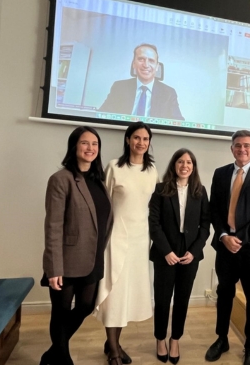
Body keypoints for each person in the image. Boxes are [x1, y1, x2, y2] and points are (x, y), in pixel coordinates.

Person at [40, 126, 113, 365]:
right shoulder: (61, 179)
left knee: (85, 306)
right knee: (60, 313)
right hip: (66, 261)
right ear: (74, 146)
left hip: (93, 259)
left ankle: (52, 353)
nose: (90, 148)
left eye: (95, 144)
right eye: (85, 143)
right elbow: (53, 226)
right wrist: (54, 268)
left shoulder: (98, 181)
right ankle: (62, 358)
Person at [205, 130, 250, 365]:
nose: (242, 149)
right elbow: (214, 209)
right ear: (232, 149)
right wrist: (225, 235)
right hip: (225, 247)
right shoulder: (221, 173)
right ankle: (222, 338)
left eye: (247, 145)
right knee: (224, 294)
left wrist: (241, 238)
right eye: (238, 145)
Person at [94, 122, 158, 365]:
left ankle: (113, 344)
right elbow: (103, 205)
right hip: (116, 237)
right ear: (128, 139)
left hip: (141, 239)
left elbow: (152, 207)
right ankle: (114, 350)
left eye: (145, 138)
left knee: (127, 295)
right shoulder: (114, 167)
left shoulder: (152, 171)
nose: (141, 142)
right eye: (136, 138)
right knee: (114, 293)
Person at [148, 149, 210, 364]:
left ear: (193, 167)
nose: (185, 165)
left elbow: (205, 226)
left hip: (190, 252)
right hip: (166, 251)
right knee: (163, 299)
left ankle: (175, 339)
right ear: (174, 165)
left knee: (182, 299)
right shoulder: (160, 190)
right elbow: (153, 224)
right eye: (181, 161)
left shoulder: (200, 191)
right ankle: (160, 339)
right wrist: (166, 251)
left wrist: (194, 251)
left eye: (189, 162)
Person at [99, 43, 184, 120]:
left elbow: (178, 123)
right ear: (134, 64)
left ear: (157, 66)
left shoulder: (168, 93)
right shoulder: (119, 87)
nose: (146, 65)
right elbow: (102, 114)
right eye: (141, 59)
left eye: (151, 60)